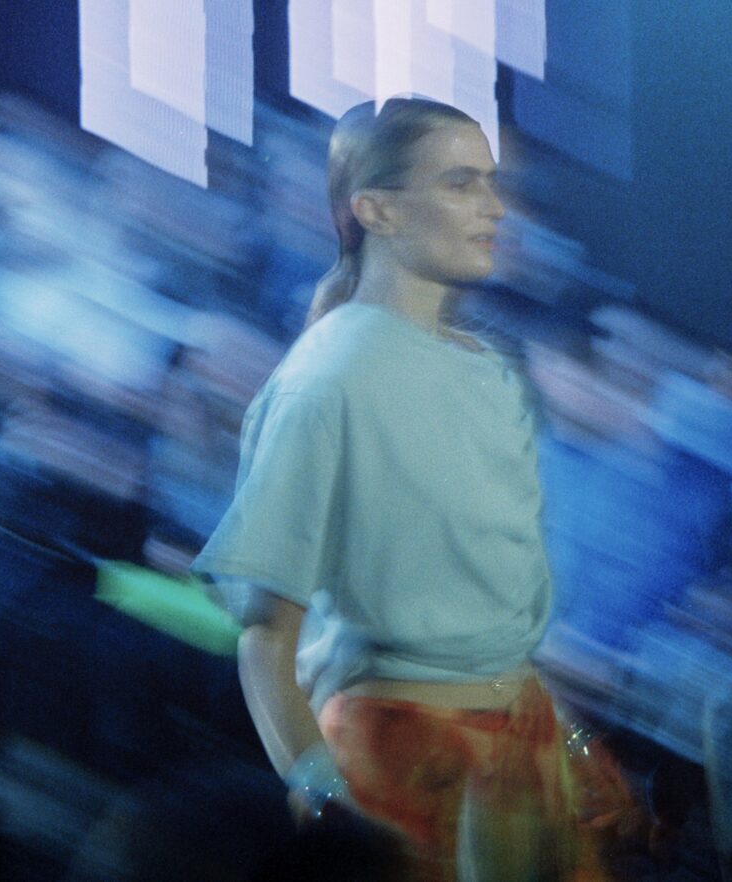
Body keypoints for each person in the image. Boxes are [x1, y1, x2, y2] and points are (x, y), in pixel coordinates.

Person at [192, 96, 633, 882]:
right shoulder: (326, 385)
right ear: (376, 211)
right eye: (461, 184)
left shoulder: (488, 374)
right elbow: (267, 639)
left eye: (493, 184)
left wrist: (567, 744)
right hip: (400, 773)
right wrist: (323, 793)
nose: (493, 209)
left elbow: (492, 622)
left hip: (521, 759)